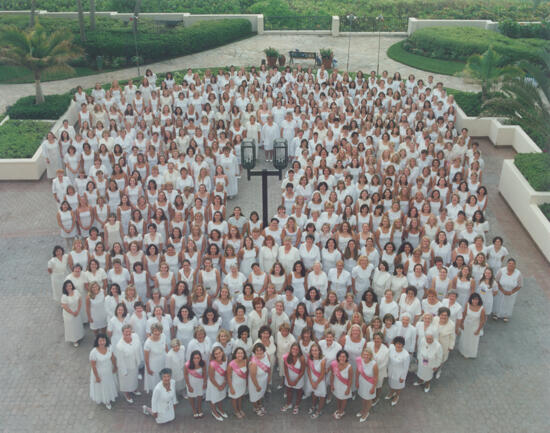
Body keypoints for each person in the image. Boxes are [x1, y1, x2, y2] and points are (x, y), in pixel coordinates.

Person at [89, 333, 118, 410]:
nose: (102, 342)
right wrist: (97, 377)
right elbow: (93, 366)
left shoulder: (109, 347)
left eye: (104, 340)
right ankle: (106, 401)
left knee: (109, 384)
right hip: (100, 372)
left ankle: (111, 395)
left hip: (109, 370)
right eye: (100, 341)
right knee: (103, 386)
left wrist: (115, 366)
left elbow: (112, 358)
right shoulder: (93, 353)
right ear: (97, 341)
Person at [116, 324, 143, 404]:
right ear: (122, 332)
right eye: (126, 332)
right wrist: (124, 371)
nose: (128, 333)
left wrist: (140, 359)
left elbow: (139, 347)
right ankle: (127, 394)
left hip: (134, 364)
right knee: (126, 382)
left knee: (134, 378)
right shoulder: (120, 346)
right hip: (126, 367)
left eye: (129, 331)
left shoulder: (135, 336)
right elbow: (120, 361)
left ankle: (134, 389)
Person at [458, 293, 486, 358]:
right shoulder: (467, 305)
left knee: (472, 341)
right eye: (473, 299)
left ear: (479, 300)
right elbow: (464, 314)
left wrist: (478, 330)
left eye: (477, 300)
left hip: (475, 327)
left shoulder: (482, 309)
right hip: (466, 325)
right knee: (464, 338)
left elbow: (482, 321)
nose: (475, 301)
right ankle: (462, 350)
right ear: (471, 299)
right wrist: (461, 323)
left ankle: (469, 354)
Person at [281, 342, 306, 414]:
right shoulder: (286, 356)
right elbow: (285, 369)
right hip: (289, 377)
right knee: (288, 390)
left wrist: (296, 381)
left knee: (299, 392)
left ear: (299, 350)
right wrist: (288, 380)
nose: (294, 350)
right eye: (293, 349)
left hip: (299, 378)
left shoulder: (302, 358)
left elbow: (302, 371)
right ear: (291, 349)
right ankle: (288, 404)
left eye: (296, 349)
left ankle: (297, 406)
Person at [355, 347, 378, 422]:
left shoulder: (374, 364)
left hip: (370, 384)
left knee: (368, 399)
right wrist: (357, 382)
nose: (366, 356)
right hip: (362, 382)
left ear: (371, 355)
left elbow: (375, 377)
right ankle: (363, 410)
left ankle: (366, 412)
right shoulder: (360, 361)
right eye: (364, 354)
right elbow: (358, 372)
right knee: (363, 397)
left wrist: (373, 388)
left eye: (367, 355)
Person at [249, 342, 271, 416]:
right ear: (254, 351)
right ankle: (256, 408)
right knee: (255, 395)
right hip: (255, 382)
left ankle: (260, 405)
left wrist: (269, 378)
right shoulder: (253, 363)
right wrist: (257, 386)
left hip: (263, 380)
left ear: (263, 350)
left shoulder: (266, 355)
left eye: (260, 350)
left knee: (261, 394)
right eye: (257, 350)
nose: (259, 352)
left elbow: (268, 368)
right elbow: (253, 376)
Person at [206, 346, 228, 421]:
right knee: (214, 398)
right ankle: (214, 411)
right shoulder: (212, 364)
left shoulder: (225, 360)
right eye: (216, 354)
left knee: (220, 396)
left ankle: (220, 409)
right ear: (214, 355)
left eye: (219, 353)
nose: (218, 355)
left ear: (222, 352)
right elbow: (211, 378)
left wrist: (224, 382)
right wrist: (218, 386)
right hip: (214, 384)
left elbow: (225, 372)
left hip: (222, 382)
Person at [386, 336, 410, 406]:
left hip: (399, 374)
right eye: (397, 343)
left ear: (403, 344)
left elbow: (406, 368)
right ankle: (391, 393)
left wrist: (403, 377)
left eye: (400, 344)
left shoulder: (406, 355)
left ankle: (396, 396)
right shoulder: (391, 348)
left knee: (398, 386)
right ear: (394, 344)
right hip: (390, 371)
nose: (398, 345)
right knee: (391, 384)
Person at [60, 279, 84, 347]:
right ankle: (74, 340)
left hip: (77, 311)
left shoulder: (76, 292)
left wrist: (78, 310)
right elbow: (64, 306)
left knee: (77, 324)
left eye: (70, 286)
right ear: (65, 288)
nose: (69, 287)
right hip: (69, 314)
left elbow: (80, 301)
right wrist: (73, 313)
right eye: (67, 286)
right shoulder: (64, 296)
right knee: (72, 327)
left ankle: (79, 335)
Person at [184, 350, 207, 418]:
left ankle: (199, 409)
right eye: (194, 358)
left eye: (198, 358)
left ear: (200, 358)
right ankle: (194, 410)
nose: (196, 359)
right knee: (192, 396)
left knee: (200, 396)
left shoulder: (203, 363)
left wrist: (205, 382)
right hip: (191, 383)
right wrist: (189, 386)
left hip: (200, 382)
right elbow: (185, 375)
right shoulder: (187, 364)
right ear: (192, 358)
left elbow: (204, 372)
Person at [306, 342, 326, 419]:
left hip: (320, 381)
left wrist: (316, 383)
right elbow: (308, 369)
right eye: (312, 350)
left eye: (316, 350)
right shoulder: (310, 358)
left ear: (319, 351)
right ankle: (313, 406)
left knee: (321, 396)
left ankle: (318, 411)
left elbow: (322, 374)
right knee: (314, 394)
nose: (314, 352)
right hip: (312, 379)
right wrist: (311, 381)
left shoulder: (323, 360)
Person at [330, 349, 352, 420]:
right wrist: (332, 385)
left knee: (343, 399)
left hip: (345, 386)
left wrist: (348, 389)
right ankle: (339, 409)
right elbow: (332, 375)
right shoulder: (334, 364)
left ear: (346, 358)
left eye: (344, 357)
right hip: (336, 384)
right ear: (338, 357)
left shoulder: (349, 367)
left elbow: (350, 379)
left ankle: (342, 411)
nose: (342, 358)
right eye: (340, 356)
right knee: (338, 397)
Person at [227, 347, 248, 418]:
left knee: (240, 397)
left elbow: (246, 373)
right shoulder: (231, 364)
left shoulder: (245, 361)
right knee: (234, 398)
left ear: (244, 354)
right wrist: (231, 388)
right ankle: (236, 411)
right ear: (235, 354)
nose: (240, 355)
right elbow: (228, 377)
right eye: (238, 353)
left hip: (242, 383)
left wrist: (247, 382)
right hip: (234, 385)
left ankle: (240, 409)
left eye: (241, 353)